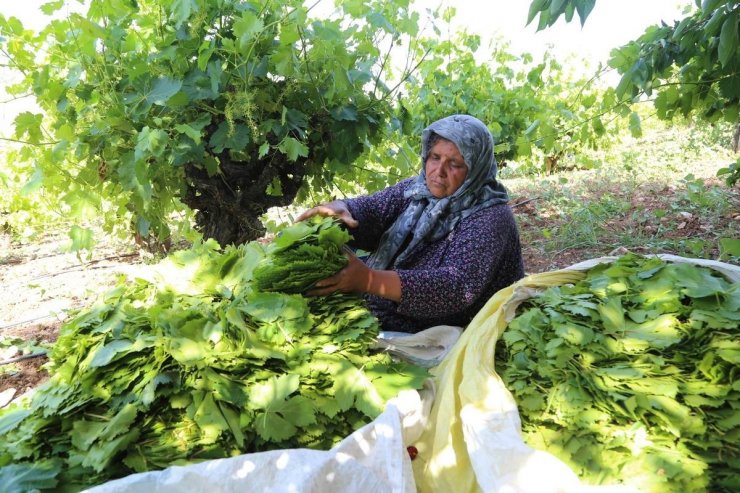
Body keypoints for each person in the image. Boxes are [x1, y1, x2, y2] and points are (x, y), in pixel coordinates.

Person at [296, 114, 524, 333]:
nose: (439, 171)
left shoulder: (491, 217)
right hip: (394, 306)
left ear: (476, 169)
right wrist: (343, 209)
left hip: (447, 325)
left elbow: (455, 288)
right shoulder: (417, 189)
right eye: (435, 157)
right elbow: (375, 211)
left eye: (454, 163)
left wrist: (369, 280)